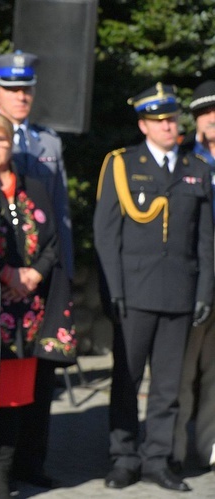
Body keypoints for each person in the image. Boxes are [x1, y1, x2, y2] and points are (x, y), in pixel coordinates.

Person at [0, 51, 74, 486]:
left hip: (33, 299)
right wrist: (6, 274)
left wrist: (40, 274)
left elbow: (56, 225)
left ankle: (25, 466)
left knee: (32, 391)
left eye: (0, 141)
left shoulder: (40, 164)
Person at [94, 83, 213, 492]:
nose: (169, 126)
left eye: (172, 119)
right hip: (135, 293)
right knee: (126, 382)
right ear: (144, 124)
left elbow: (205, 240)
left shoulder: (197, 167)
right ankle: (124, 458)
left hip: (181, 294)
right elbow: (106, 233)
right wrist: (114, 290)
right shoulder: (123, 164)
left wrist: (204, 292)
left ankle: (158, 460)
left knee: (167, 386)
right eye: (160, 120)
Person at [0, 110, 59, 499]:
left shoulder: (34, 185)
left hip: (27, 310)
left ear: (10, 141)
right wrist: (7, 274)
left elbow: (52, 240)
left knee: (18, 396)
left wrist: (33, 275)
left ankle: (4, 474)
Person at [173, 79, 215, 474]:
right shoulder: (182, 160)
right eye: (204, 113)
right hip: (192, 283)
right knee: (182, 374)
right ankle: (176, 450)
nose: (212, 120)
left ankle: (209, 448)